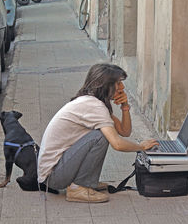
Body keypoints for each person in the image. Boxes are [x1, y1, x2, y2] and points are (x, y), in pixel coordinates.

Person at [37, 63, 158, 203]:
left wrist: (125, 107)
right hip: (54, 176)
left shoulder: (93, 101)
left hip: (56, 171)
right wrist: (141, 147)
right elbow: (117, 144)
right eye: (118, 83)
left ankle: (87, 182)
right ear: (105, 85)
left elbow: (125, 131)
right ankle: (79, 187)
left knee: (101, 134)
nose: (122, 88)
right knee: (100, 137)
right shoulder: (94, 106)